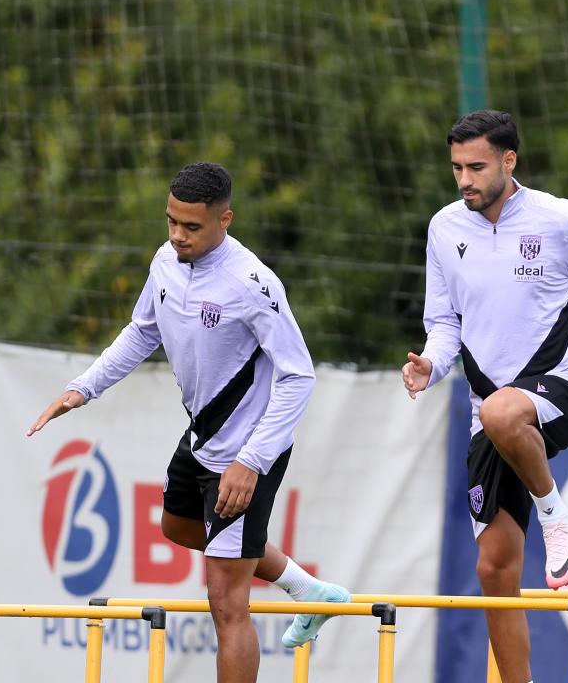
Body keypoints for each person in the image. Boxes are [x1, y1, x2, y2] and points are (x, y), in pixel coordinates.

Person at [28, 162, 349, 682]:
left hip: (248, 450)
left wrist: (251, 461)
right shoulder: (165, 261)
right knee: (176, 527)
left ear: (226, 219)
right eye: (171, 222)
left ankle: (302, 590)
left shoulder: (253, 283)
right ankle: (306, 588)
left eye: (192, 227)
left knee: (226, 601)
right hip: (203, 439)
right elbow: (141, 332)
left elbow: (298, 376)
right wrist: (83, 387)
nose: (178, 235)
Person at [401, 110, 568, 683]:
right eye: (456, 168)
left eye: (476, 167)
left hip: (566, 387)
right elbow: (444, 323)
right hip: (489, 413)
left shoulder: (562, 221)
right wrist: (431, 362)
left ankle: (557, 519)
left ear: (509, 161)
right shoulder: (444, 229)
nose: (464, 180)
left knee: (505, 408)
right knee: (495, 567)